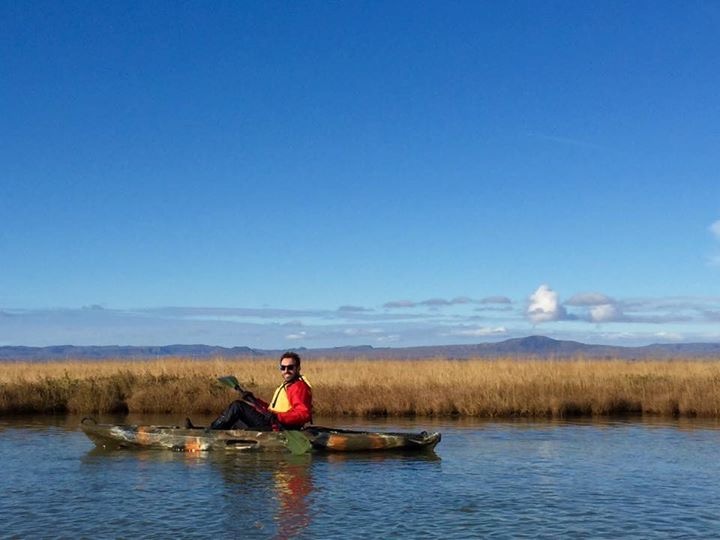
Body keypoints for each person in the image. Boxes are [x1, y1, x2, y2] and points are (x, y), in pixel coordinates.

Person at [208, 351, 312, 430]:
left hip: (279, 427)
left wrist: (278, 417)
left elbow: (304, 414)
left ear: (298, 368)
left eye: (290, 367)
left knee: (237, 406)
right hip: (272, 422)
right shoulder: (287, 385)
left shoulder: (298, 387)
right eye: (283, 368)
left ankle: (210, 432)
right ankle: (214, 431)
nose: (286, 371)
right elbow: (271, 410)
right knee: (237, 421)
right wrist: (254, 400)